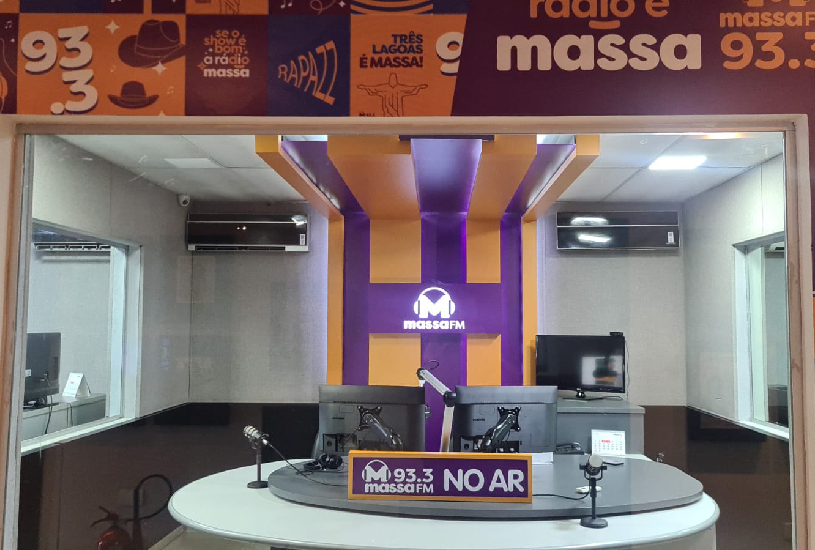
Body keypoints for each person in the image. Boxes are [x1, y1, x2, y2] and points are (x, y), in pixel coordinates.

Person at [357, 73, 428, 117]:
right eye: (391, 79)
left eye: (394, 79)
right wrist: (366, 88)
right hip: (387, 116)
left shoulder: (400, 90)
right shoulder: (384, 91)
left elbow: (412, 91)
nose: (393, 80)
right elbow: (372, 92)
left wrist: (418, 87)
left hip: (398, 116)